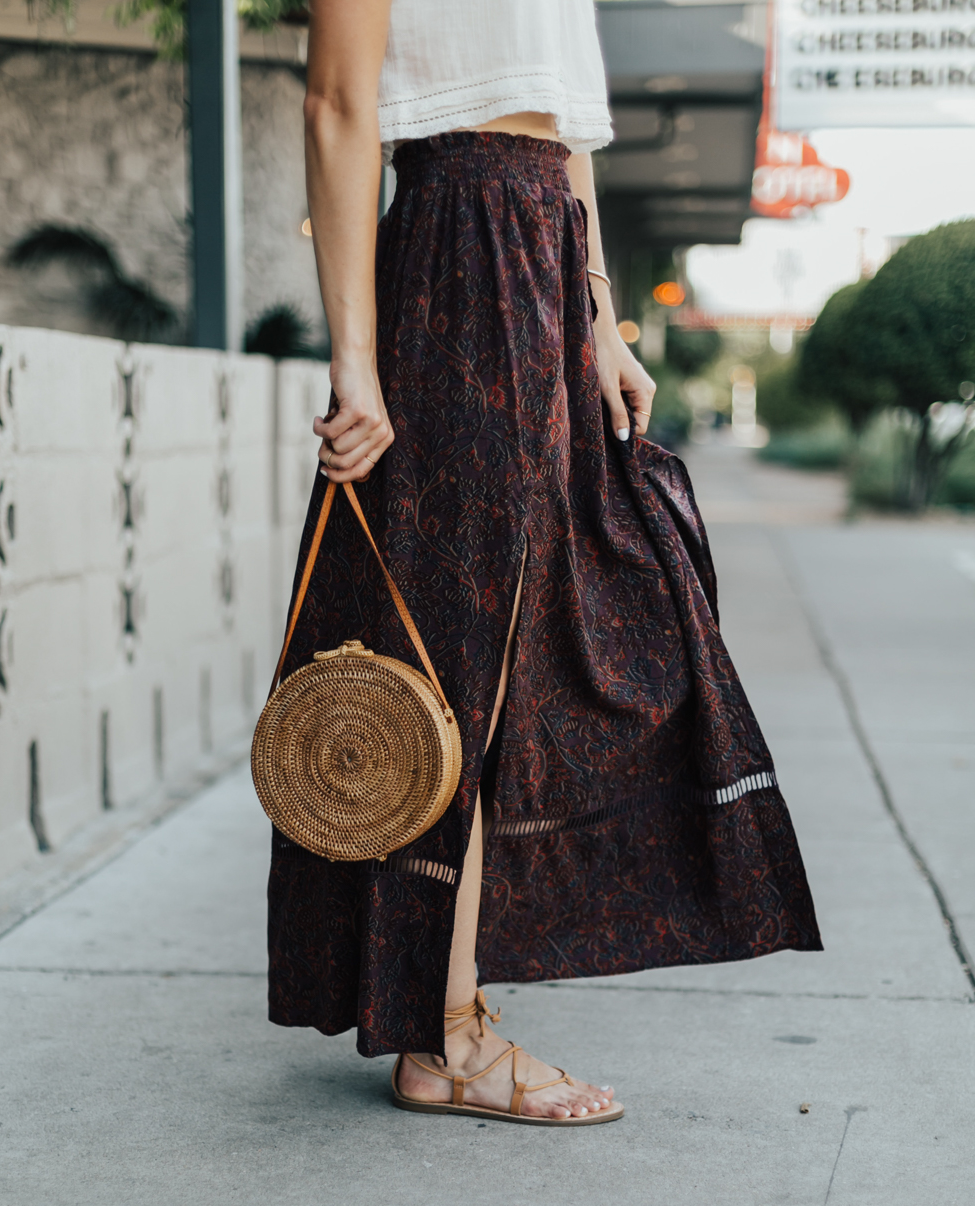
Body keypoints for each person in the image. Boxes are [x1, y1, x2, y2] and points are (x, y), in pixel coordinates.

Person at [265, 0, 822, 1125]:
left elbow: (567, 135)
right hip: (455, 255)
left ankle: (446, 1005)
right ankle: (445, 1035)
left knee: (550, 638)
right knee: (460, 655)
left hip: (544, 260)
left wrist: (602, 317)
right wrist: (355, 363)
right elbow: (335, 107)